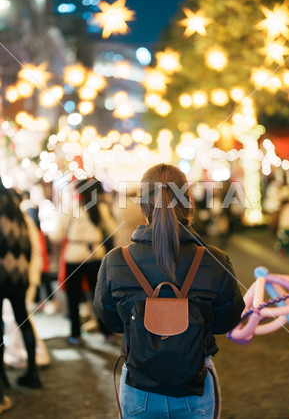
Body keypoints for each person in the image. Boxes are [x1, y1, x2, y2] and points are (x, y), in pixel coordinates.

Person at [94, 164, 245, 418]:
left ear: (143, 206)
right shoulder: (215, 260)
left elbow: (111, 320)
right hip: (195, 384)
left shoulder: (115, 261)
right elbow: (225, 321)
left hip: (138, 386)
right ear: (189, 203)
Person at [52, 178, 117, 344]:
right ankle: (105, 331)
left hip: (74, 256)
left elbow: (57, 235)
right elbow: (112, 229)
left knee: (73, 298)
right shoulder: (99, 208)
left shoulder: (70, 209)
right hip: (95, 255)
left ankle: (75, 334)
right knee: (99, 296)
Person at [0, 180, 41, 389]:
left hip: (2, 274)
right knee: (22, 319)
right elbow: (26, 241)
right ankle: (32, 372)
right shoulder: (14, 205)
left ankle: (2, 378)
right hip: (19, 274)